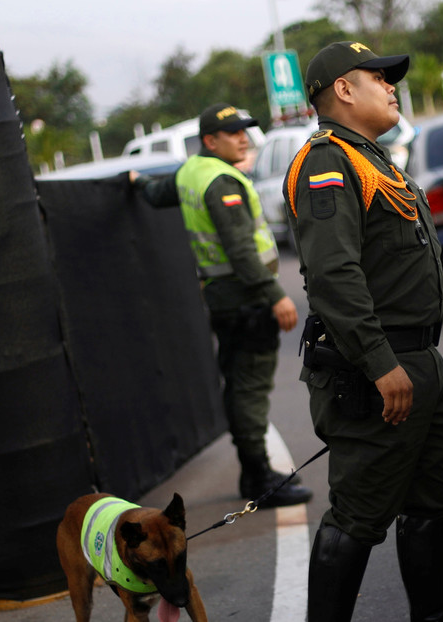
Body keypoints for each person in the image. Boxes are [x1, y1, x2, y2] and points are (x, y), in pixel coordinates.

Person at [283, 42, 443, 622]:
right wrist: (381, 363)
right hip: (379, 369)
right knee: (359, 516)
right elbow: (334, 277)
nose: (392, 86)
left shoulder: (373, 157)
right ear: (342, 89)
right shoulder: (327, 163)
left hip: (419, 359)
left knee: (431, 503)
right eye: (378, 77)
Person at [132, 103, 312, 509]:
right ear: (210, 141)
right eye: (232, 133)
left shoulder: (190, 171)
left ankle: (255, 471)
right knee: (249, 388)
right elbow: (241, 250)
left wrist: (135, 180)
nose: (243, 138)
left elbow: (157, 194)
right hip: (247, 297)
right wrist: (276, 295)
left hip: (222, 296)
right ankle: (259, 477)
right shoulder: (222, 183)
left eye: (244, 130)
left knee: (239, 384)